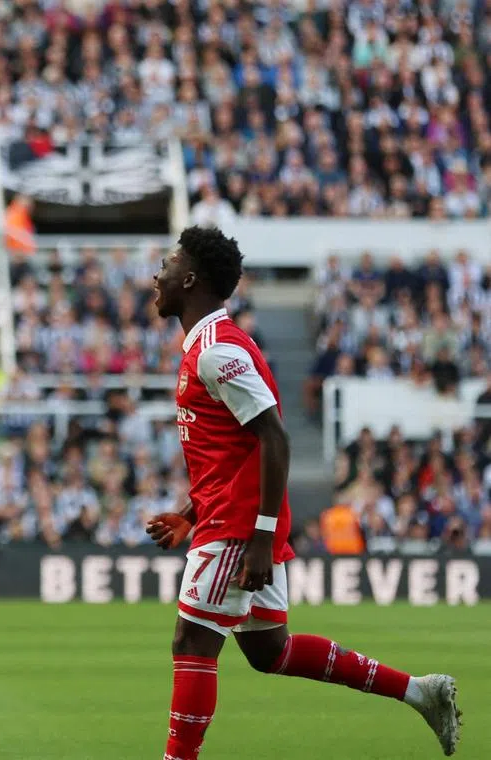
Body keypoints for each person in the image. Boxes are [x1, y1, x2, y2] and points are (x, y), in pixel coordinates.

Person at [145, 226, 460, 758]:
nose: (159, 274)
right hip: (230, 516)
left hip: (241, 528)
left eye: (169, 264)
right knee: (270, 651)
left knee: (191, 643)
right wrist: (187, 512)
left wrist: (261, 536)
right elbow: (238, 450)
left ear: (191, 278)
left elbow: (275, 436)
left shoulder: (219, 351)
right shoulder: (207, 345)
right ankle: (419, 691)